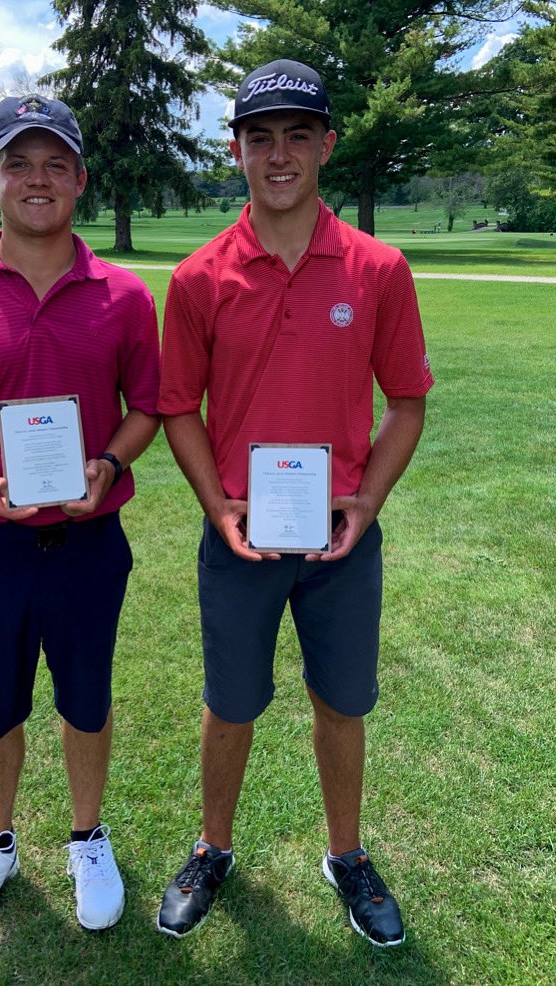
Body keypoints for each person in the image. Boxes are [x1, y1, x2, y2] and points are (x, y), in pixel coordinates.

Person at [156, 59, 433, 946]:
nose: (278, 155)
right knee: (230, 703)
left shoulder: (377, 268)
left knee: (341, 701)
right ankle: (213, 848)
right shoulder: (198, 277)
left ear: (326, 146)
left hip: (339, 541)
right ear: (234, 150)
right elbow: (176, 407)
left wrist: (367, 501)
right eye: (259, 137)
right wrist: (215, 507)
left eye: (296, 136)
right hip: (237, 537)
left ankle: (346, 855)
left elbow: (407, 400)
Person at [0, 93, 160, 940]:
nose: (37, 179)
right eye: (19, 162)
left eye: (55, 163)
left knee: (86, 697)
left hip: (88, 540)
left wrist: (110, 462)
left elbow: (147, 407)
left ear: (79, 179)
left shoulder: (122, 295)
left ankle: (87, 837)